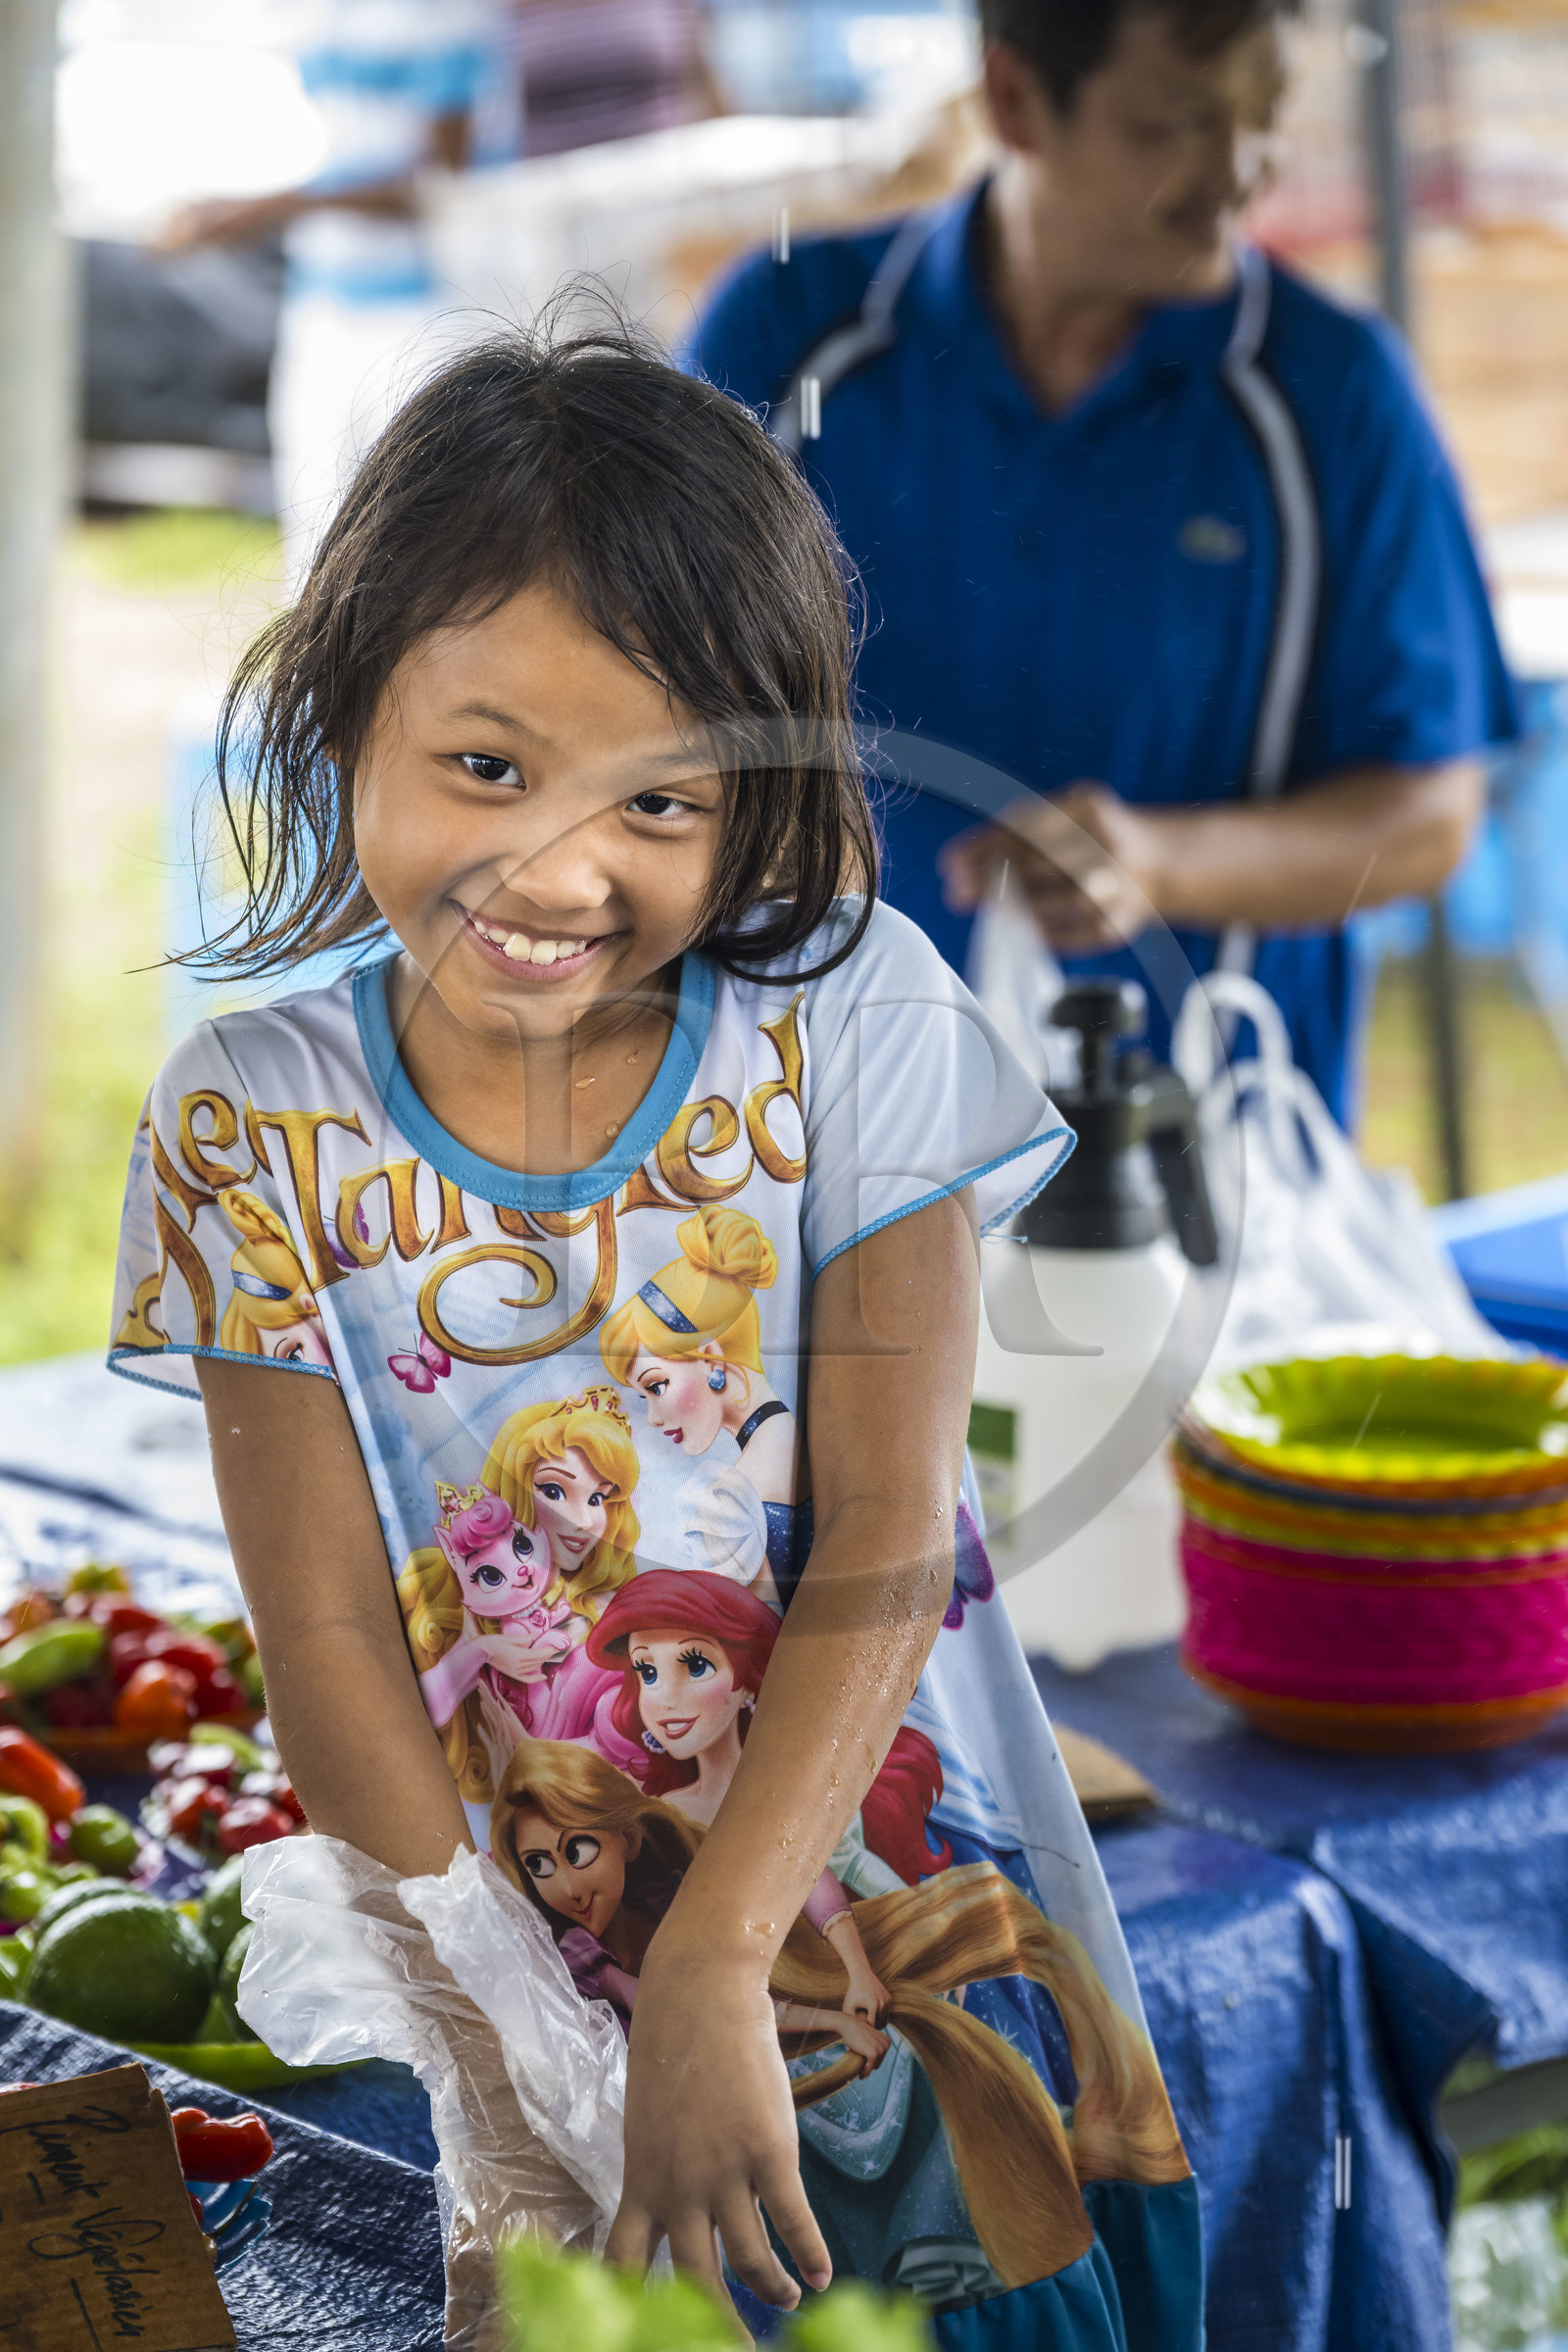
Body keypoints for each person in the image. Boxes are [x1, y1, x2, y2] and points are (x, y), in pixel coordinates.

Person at [108, 321, 1201, 2344]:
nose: (559, 868)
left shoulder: (858, 1017)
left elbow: (887, 1530)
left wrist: (714, 1967)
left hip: (890, 1937)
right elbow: (330, 1642)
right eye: (486, 767)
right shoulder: (246, 1119)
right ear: (344, 709)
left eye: (662, 801)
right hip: (523, 1944)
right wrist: (501, 2092)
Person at [681, 0, 1518, 1125]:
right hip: (814, 1129)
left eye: (1264, 113)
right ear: (1015, 100)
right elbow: (635, 714)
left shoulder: (1332, 392)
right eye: (1180, 121)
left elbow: (1428, 817)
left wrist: (1163, 864)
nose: (1242, 169)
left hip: (1211, 1149)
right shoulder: (785, 341)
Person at [156, 0, 520, 582]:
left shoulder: (449, 14)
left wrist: (264, 209)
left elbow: (439, 181)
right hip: (324, 303)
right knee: (314, 534)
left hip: (424, 312)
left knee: (420, 541)